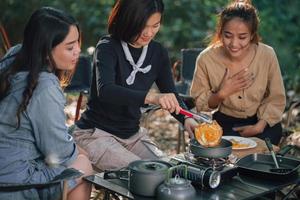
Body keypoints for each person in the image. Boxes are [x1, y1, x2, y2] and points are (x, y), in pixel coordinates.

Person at [73, 0, 198, 171]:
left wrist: (187, 118)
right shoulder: (107, 47)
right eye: (142, 26)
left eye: (155, 25)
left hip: (133, 136)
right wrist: (152, 97)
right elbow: (106, 90)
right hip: (95, 134)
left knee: (170, 171)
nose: (148, 32)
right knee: (148, 174)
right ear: (127, 21)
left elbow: (170, 93)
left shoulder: (158, 52)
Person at [0, 7, 93, 200]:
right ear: (45, 49)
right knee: (83, 164)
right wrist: (80, 151)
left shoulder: (14, 55)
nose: (78, 51)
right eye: (69, 47)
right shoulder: (45, 84)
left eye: (77, 42)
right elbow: (58, 152)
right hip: (14, 184)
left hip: (6, 168)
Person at [190, 0, 286, 145]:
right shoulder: (206, 59)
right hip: (224, 124)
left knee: (262, 151)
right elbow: (200, 103)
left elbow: (276, 97)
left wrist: (259, 127)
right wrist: (223, 93)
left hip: (261, 124)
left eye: (242, 37)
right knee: (223, 152)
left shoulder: (267, 55)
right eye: (228, 36)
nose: (234, 44)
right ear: (220, 32)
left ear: (252, 35)